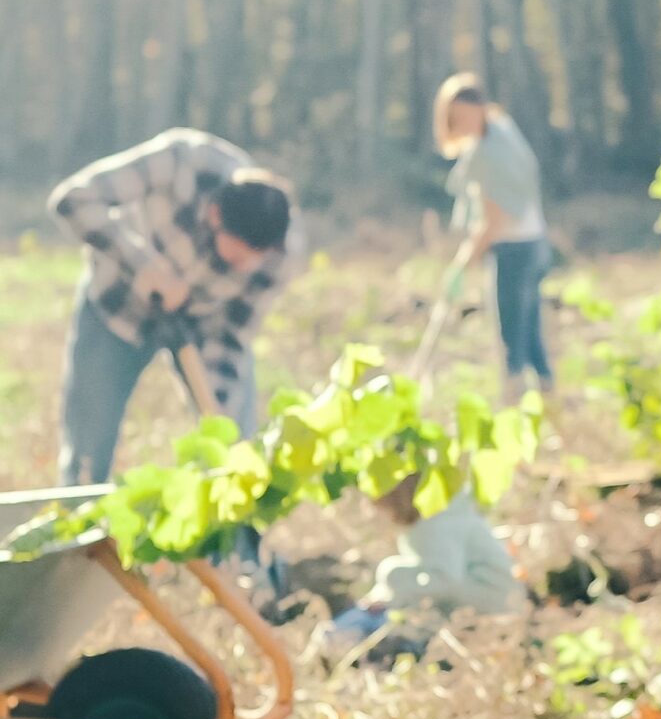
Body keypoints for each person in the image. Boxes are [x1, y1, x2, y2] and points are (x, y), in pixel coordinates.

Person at [49, 129, 300, 483]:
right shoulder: (181, 162)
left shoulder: (282, 255)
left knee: (235, 441)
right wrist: (145, 266)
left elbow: (231, 337)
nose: (248, 267)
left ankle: (233, 531)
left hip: (200, 326)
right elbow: (73, 200)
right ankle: (80, 524)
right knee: (88, 449)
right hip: (115, 307)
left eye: (258, 258)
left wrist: (219, 417)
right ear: (215, 217)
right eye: (241, 254)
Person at [432, 74, 554, 395]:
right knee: (529, 332)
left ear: (479, 108)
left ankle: (516, 404)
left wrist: (462, 263)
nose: (461, 122)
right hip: (536, 243)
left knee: (512, 338)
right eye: (455, 118)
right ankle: (547, 397)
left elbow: (493, 221)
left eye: (463, 114)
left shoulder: (490, 150)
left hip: (515, 249)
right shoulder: (502, 130)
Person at [326, 476, 530, 652]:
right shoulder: (442, 514)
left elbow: (445, 581)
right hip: (488, 603)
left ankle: (333, 647)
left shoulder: (437, 522)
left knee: (371, 626)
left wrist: (392, 581)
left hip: (489, 608)